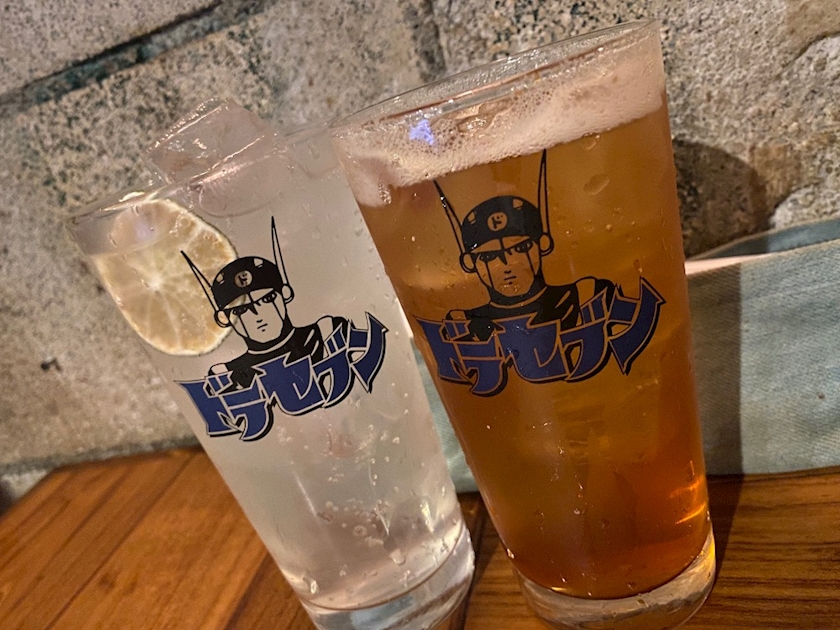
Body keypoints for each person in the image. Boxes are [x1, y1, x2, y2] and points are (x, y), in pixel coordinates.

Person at [437, 151, 614, 342]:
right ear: (469, 262)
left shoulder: (587, 295)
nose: (508, 264)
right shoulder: (463, 324)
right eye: (489, 257)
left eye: (520, 249)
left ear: (543, 244)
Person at [183, 218, 346, 392]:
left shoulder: (327, 333)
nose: (257, 315)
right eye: (241, 310)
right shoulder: (225, 376)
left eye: (267, 300)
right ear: (223, 318)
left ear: (285, 293)